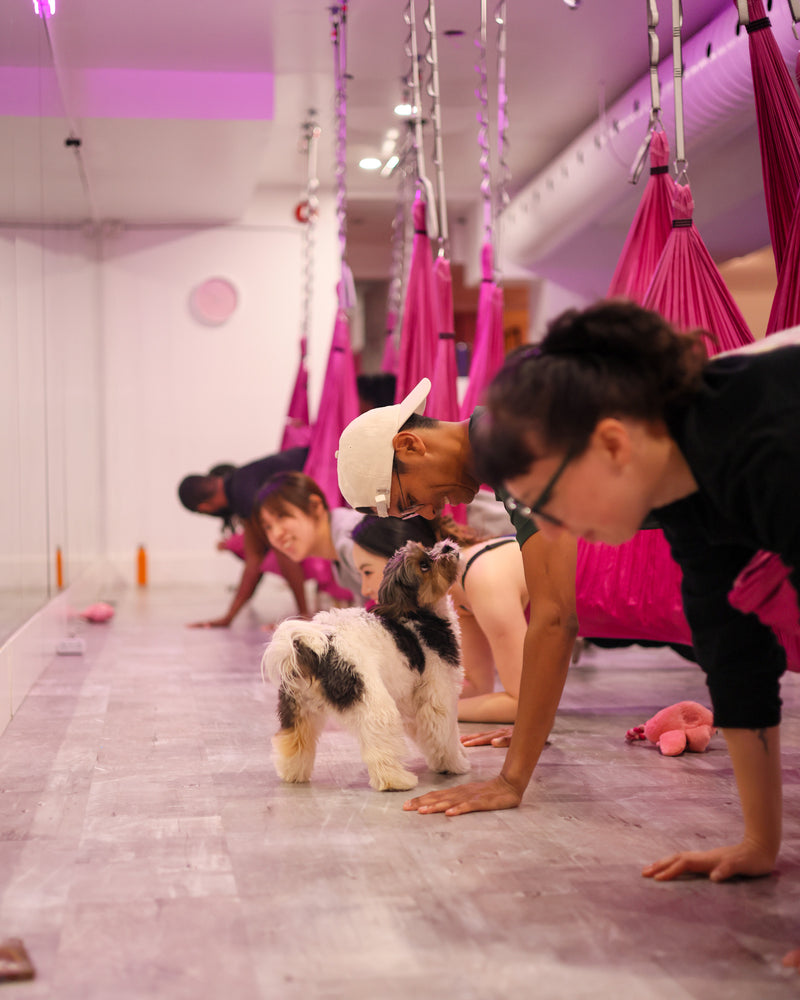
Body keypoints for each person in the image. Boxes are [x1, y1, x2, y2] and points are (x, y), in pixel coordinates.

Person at [472, 301, 800, 968]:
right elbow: (735, 651)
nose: (555, 533)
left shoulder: (768, 445)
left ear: (613, 443)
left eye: (550, 502)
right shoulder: (685, 484)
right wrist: (759, 844)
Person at [336, 376, 580, 805]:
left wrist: (510, 781)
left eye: (411, 498)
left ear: (410, 446)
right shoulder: (506, 446)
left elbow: (556, 618)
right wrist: (528, 728)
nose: (431, 512)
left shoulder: (516, 445)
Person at [351, 514, 525, 724]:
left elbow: (523, 704)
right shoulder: (458, 593)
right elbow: (477, 686)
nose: (364, 589)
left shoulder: (481, 577)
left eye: (368, 572)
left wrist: (427, 711)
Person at [178, 447, 310, 627]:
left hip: (326, 467)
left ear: (204, 508)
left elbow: (283, 552)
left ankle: (304, 612)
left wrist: (303, 614)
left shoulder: (244, 495)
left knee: (281, 545)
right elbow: (254, 561)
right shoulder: (239, 489)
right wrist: (228, 618)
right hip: (320, 458)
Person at [255, 471, 365, 605]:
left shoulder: (351, 539)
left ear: (315, 506)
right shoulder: (339, 554)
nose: (276, 534)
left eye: (281, 516)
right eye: (267, 527)